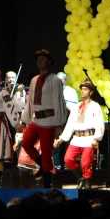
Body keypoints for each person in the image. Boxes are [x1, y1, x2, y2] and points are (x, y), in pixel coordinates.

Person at [21, 50, 67, 188]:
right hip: (37, 120)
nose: (40, 61)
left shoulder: (55, 80)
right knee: (26, 143)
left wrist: (59, 124)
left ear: (49, 62)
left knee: (47, 154)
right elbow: (30, 101)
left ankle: (47, 184)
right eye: (38, 59)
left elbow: (59, 102)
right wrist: (26, 119)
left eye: (43, 59)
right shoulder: (34, 79)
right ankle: (43, 166)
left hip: (50, 121)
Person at [54, 79, 105, 189]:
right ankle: (80, 177)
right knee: (68, 160)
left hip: (89, 138)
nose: (82, 91)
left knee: (85, 163)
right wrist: (61, 139)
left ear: (91, 92)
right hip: (77, 138)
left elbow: (100, 123)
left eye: (85, 89)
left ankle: (87, 182)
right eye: (82, 89)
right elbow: (70, 124)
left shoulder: (95, 106)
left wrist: (96, 138)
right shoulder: (76, 106)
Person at [53, 72, 78, 171]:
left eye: (61, 80)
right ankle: (57, 165)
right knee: (56, 144)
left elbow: (74, 109)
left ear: (65, 80)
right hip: (56, 122)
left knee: (68, 143)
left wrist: (65, 104)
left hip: (68, 121)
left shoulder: (71, 91)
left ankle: (68, 165)